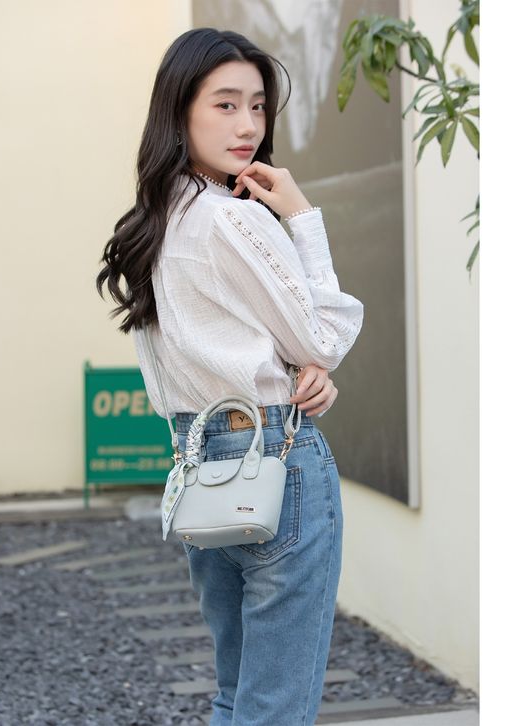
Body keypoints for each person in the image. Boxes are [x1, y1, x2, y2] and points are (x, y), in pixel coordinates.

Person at [96, 27, 363, 726]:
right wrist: (301, 218)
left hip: (200, 463)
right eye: (225, 105)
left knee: (236, 693)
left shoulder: (155, 221)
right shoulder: (231, 220)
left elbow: (215, 354)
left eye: (258, 106)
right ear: (179, 109)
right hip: (276, 460)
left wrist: (301, 371)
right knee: (275, 706)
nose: (248, 126)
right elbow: (324, 335)